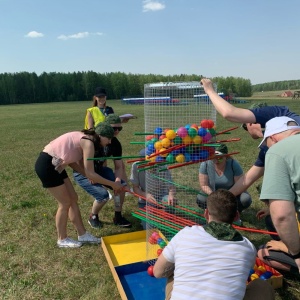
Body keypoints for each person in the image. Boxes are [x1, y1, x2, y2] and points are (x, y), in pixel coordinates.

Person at [153, 189, 274, 300]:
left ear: (206, 214)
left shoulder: (185, 234)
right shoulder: (247, 247)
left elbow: (157, 272)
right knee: (262, 286)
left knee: (173, 272)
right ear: (237, 216)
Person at [200, 78, 300, 198]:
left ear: (250, 122)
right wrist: (221, 199)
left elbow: (228, 113)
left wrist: (209, 90)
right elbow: (248, 179)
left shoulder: (280, 113)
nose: (247, 132)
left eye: (245, 127)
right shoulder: (267, 148)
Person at [35, 122, 123, 248]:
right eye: (108, 138)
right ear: (101, 136)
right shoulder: (88, 143)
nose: (109, 142)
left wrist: (88, 176)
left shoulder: (86, 138)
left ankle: (82, 234)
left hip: (57, 164)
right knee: (65, 203)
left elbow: (72, 162)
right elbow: (91, 173)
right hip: (47, 165)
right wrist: (113, 184)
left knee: (73, 199)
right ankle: (62, 239)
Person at [255, 116, 300, 274]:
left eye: (267, 146)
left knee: (263, 252)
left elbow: (281, 215)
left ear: (273, 139)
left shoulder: (277, 151)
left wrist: (294, 252)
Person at [74, 114, 131, 228]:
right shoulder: (92, 141)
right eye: (113, 128)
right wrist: (90, 175)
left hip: (99, 170)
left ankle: (118, 216)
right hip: (83, 172)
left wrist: (118, 180)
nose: (116, 131)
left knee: (122, 187)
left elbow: (118, 166)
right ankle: (93, 216)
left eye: (119, 128)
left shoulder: (115, 144)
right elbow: (79, 163)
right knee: (103, 195)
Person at [197, 143, 252, 213]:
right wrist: (213, 195)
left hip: (232, 193)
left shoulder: (233, 164)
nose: (216, 160)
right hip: (212, 193)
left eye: (219, 158)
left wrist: (225, 197)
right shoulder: (205, 164)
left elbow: (240, 186)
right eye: (213, 157)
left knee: (245, 199)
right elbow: (204, 185)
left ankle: (234, 212)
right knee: (201, 199)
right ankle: (213, 211)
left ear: (226, 157)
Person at [130, 150, 176, 229]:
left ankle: (168, 217)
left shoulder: (162, 166)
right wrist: (145, 195)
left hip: (162, 197)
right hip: (145, 201)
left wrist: (171, 195)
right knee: (149, 228)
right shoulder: (136, 166)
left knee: (169, 203)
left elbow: (171, 186)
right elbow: (135, 188)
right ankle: (151, 218)